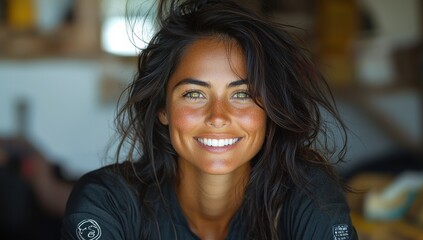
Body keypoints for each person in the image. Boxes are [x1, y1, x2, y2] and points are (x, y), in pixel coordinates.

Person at [61, 0, 358, 239]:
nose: (218, 117)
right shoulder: (109, 203)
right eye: (194, 94)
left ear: (271, 109)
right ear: (163, 109)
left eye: (242, 94)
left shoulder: (308, 196)